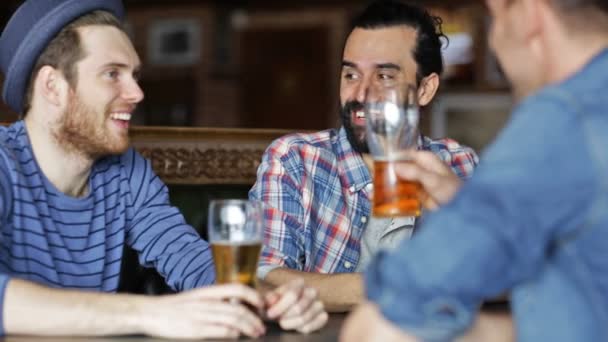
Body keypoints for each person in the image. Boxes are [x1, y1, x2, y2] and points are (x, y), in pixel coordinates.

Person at [0, 0, 328, 338]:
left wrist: (266, 300)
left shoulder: (127, 173)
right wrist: (148, 313)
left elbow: (189, 259)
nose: (137, 93)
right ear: (53, 87)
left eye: (134, 75)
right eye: (112, 73)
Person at [340, 0, 608, 340]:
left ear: (528, 13)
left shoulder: (563, 118)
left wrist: (462, 217)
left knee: (378, 328)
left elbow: (404, 293)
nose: (495, 42)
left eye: (494, 20)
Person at [249, 0, 479, 313]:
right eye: (351, 75)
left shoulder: (458, 164)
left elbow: (503, 273)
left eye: (384, 76)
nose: (361, 94)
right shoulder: (295, 159)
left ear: (425, 89)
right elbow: (265, 280)